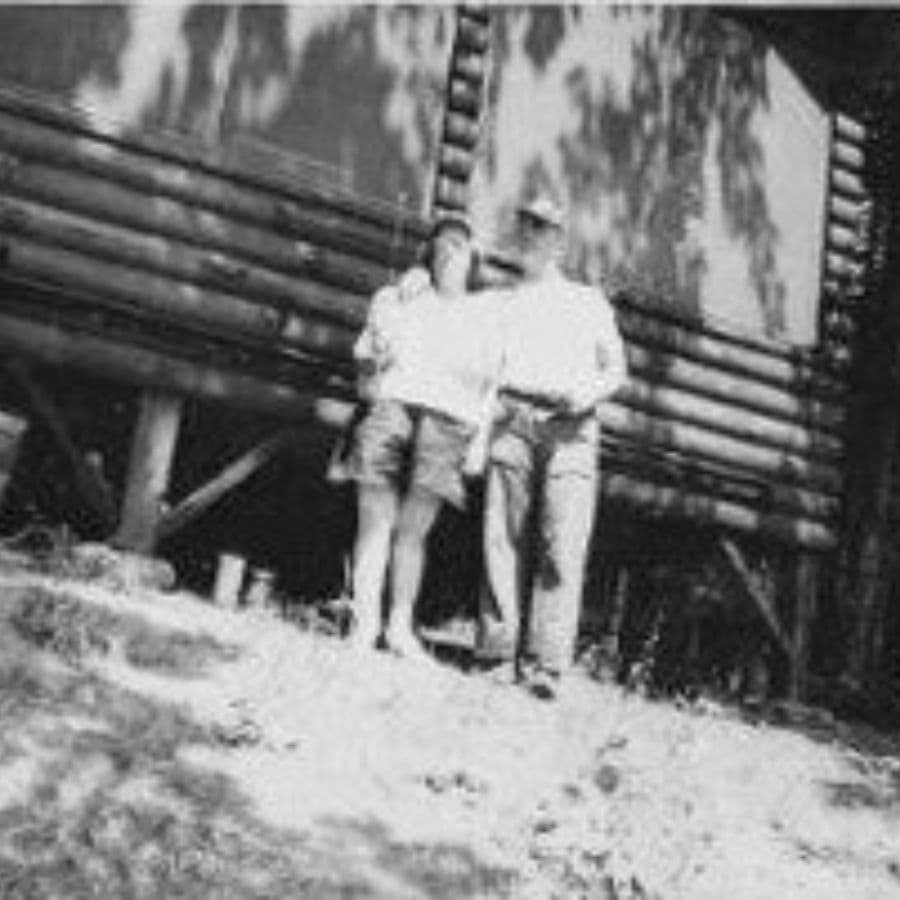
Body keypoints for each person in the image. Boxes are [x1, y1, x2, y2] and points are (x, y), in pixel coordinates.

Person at [477, 195, 628, 699]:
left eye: (542, 228)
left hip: (572, 428)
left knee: (562, 545)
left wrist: (581, 396)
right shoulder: (505, 300)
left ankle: (546, 665)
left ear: (559, 240)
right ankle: (497, 654)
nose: (532, 236)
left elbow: (616, 370)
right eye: (525, 227)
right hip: (513, 420)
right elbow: (484, 363)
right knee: (503, 537)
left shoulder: (587, 302)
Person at [345, 213, 504, 660]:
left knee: (414, 532)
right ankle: (364, 625)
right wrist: (377, 346)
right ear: (429, 255)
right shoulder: (397, 297)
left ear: (473, 258)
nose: (450, 254)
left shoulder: (485, 314)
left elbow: (491, 386)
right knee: (375, 522)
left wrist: (479, 442)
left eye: (461, 246)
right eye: (443, 246)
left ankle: (399, 628)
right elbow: (363, 354)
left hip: (450, 422)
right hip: (392, 408)